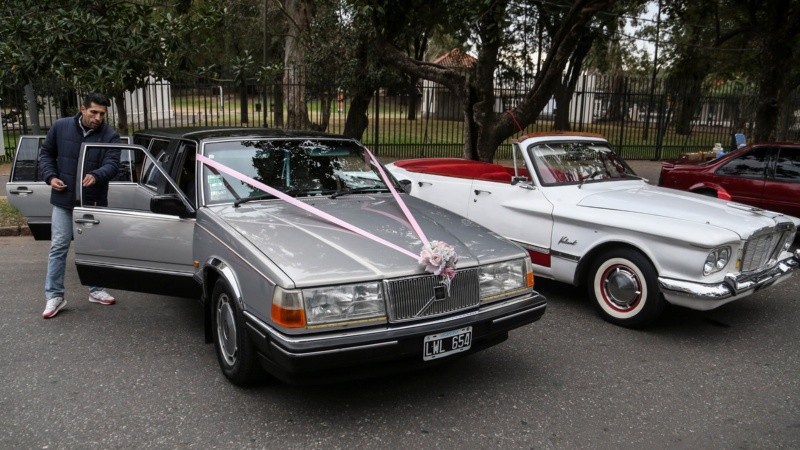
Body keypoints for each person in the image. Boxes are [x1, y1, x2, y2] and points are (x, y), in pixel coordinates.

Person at [38, 92, 121, 319]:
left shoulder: (110, 136)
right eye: (93, 112)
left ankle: (96, 290)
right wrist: (50, 177)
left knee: (94, 248)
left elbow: (113, 164)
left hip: (92, 203)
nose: (97, 118)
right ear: (82, 109)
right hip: (63, 201)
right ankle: (54, 296)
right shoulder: (61, 127)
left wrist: (97, 174)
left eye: (102, 114)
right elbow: (45, 154)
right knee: (58, 247)